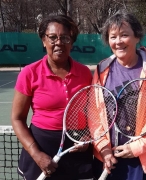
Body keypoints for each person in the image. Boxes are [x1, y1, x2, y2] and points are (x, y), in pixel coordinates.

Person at [11, 14, 93, 180]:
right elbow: (17, 118)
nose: (59, 43)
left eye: (65, 38)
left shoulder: (84, 73)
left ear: (72, 42)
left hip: (78, 151)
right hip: (42, 147)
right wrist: (36, 154)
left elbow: (93, 112)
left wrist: (88, 137)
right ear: (43, 40)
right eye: (53, 37)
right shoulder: (29, 73)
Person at [92, 11, 146, 180]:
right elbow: (95, 113)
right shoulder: (101, 70)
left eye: (124, 35)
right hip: (108, 159)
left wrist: (136, 147)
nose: (118, 41)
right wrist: (103, 148)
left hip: (143, 159)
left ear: (137, 37)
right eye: (113, 37)